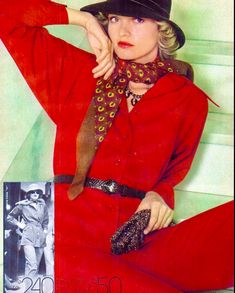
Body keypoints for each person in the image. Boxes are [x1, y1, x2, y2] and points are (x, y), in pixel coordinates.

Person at [0, 0, 233, 292]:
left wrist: (160, 196)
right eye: (113, 18)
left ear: (162, 29)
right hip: (61, 234)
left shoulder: (188, 99)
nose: (121, 29)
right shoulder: (77, 70)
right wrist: (83, 21)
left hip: (135, 238)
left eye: (136, 19)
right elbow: (5, 14)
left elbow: (173, 172)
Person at [7, 184, 49, 279]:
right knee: (32, 265)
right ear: (29, 194)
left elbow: (46, 221)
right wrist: (20, 225)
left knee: (34, 267)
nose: (35, 194)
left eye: (37, 192)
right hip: (28, 237)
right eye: (32, 192)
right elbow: (9, 217)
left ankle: (29, 288)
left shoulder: (43, 205)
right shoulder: (22, 205)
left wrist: (45, 232)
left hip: (40, 237)